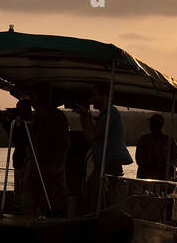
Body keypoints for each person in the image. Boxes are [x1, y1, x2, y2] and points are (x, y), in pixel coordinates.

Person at [76, 81, 132, 209]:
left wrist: (85, 117)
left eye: (95, 95)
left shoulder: (110, 113)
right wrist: (86, 117)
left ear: (105, 96)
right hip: (102, 165)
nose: (92, 99)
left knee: (103, 200)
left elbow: (92, 136)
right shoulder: (104, 115)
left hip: (109, 166)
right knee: (91, 196)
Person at [28, 82, 69, 216]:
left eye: (33, 95)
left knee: (55, 201)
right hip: (37, 166)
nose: (31, 99)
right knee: (38, 200)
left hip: (52, 168)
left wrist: (57, 164)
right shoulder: (36, 117)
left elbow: (64, 143)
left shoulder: (56, 116)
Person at [135, 113, 177, 181]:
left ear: (160, 125)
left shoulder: (169, 140)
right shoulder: (144, 139)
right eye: (151, 123)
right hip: (147, 175)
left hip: (165, 176)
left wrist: (167, 165)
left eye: (153, 123)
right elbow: (139, 159)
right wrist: (150, 166)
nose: (150, 125)